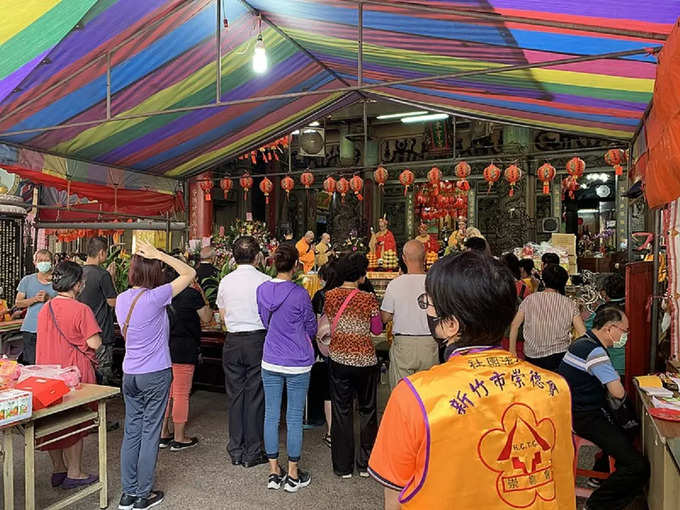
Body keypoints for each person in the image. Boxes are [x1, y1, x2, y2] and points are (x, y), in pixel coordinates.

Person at [368, 251, 576, 509]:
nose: (427, 311)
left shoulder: (416, 395)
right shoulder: (556, 387)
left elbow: (395, 497)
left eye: (429, 304)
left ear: (452, 324)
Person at [115, 242, 196, 510]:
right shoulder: (156, 297)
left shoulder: (123, 299)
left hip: (130, 374)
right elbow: (189, 273)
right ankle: (142, 494)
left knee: (132, 431)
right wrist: (161, 254)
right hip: (155, 374)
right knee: (150, 433)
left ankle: (128, 493)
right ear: (155, 271)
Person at [558, 306, 649, 510]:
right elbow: (617, 392)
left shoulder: (582, 342)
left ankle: (598, 476)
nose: (625, 336)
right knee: (637, 466)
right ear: (610, 329)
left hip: (573, 411)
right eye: (625, 331)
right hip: (585, 417)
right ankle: (597, 504)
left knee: (627, 432)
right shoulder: (595, 351)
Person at [256, 244, 317, 492]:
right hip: (298, 362)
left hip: (270, 358)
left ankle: (273, 471)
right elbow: (311, 326)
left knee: (271, 415)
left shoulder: (262, 290)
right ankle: (292, 473)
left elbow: (263, 320)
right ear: (296, 266)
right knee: (293, 417)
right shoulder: (300, 294)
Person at [36, 261, 102, 489]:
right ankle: (75, 472)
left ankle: (58, 469)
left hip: (48, 374)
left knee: (53, 421)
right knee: (76, 422)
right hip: (74, 374)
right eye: (81, 280)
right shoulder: (81, 309)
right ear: (75, 284)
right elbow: (95, 342)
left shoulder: (46, 308)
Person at [324, 253, 383, 479]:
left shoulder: (330, 296)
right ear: (360, 275)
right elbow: (377, 330)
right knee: (368, 411)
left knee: (342, 411)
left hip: (339, 359)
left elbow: (330, 322)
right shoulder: (368, 298)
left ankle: (342, 467)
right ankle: (366, 464)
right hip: (365, 361)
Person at [216, 236, 271, 468]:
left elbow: (222, 313)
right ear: (258, 256)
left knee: (235, 395)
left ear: (232, 256)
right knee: (256, 396)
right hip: (258, 339)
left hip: (233, 340)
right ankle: (253, 450)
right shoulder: (266, 280)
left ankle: (236, 449)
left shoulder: (226, 281)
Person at [160, 268, 212, 452]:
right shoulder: (191, 294)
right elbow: (207, 317)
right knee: (181, 393)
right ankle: (180, 437)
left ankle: (163, 434)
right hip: (185, 348)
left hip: (164, 349)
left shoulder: (160, 294)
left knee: (166, 393)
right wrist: (202, 294)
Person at [381, 240, 437, 390]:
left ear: (404, 258)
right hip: (429, 344)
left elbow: (385, 318)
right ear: (425, 258)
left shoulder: (395, 284)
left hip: (403, 346)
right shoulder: (434, 283)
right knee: (427, 393)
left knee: (402, 392)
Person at [509, 264, 586, 371]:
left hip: (532, 356)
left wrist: (512, 351)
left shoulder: (530, 300)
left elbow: (514, 325)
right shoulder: (569, 304)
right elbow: (583, 333)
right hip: (559, 357)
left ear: (544, 281)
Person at [310, 261, 342, 447]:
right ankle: (342, 429)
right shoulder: (346, 294)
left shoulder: (320, 296)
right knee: (342, 390)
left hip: (324, 348)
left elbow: (314, 323)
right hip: (345, 348)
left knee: (328, 391)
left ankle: (330, 432)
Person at [78, 237, 117, 384]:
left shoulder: (78, 272)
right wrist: (112, 279)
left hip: (82, 332)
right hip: (101, 332)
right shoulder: (103, 275)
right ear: (101, 253)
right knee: (102, 373)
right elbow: (112, 302)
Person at [16, 249, 57, 364]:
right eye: (40, 260)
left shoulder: (58, 281)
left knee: (50, 362)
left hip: (52, 328)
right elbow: (18, 302)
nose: (43, 263)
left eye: (46, 260)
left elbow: (65, 302)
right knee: (31, 362)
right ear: (35, 262)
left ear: (52, 262)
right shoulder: (27, 280)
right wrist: (35, 299)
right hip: (30, 328)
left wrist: (49, 299)